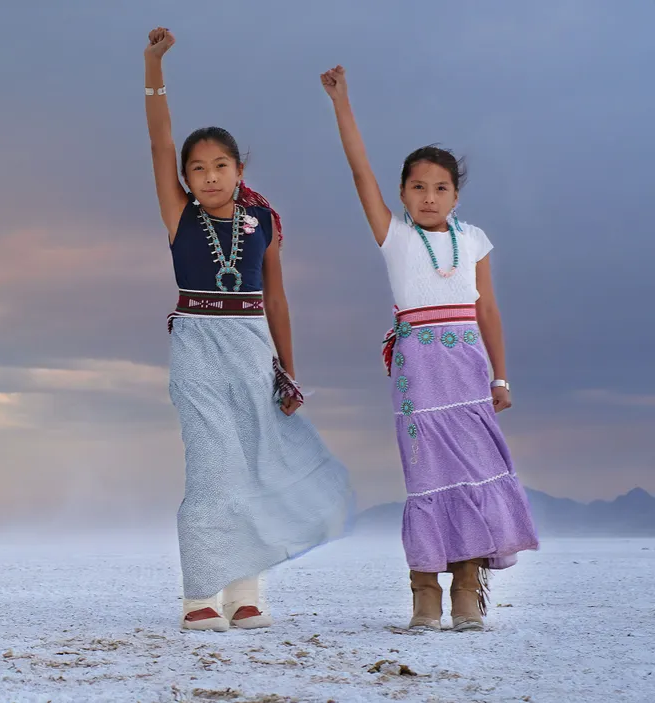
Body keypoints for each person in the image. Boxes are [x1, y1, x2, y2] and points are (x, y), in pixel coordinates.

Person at [144, 27, 355, 632]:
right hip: (197, 344)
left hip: (253, 346)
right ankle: (199, 596)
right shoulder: (179, 214)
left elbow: (277, 297)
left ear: (240, 168)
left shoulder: (263, 221)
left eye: (220, 165)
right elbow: (158, 143)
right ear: (185, 176)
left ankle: (245, 591)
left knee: (253, 465)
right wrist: (154, 67)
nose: (209, 176)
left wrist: (288, 370)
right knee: (211, 466)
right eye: (197, 168)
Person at [320, 65, 539, 632]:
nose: (429, 196)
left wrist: (502, 379)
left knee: (472, 476)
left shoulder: (473, 240)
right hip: (419, 371)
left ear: (456, 194)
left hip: (468, 370)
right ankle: (424, 592)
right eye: (417, 187)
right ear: (401, 194)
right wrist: (342, 101)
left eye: (440, 187)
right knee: (426, 478)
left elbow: (487, 310)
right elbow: (358, 169)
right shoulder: (394, 235)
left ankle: (468, 587)